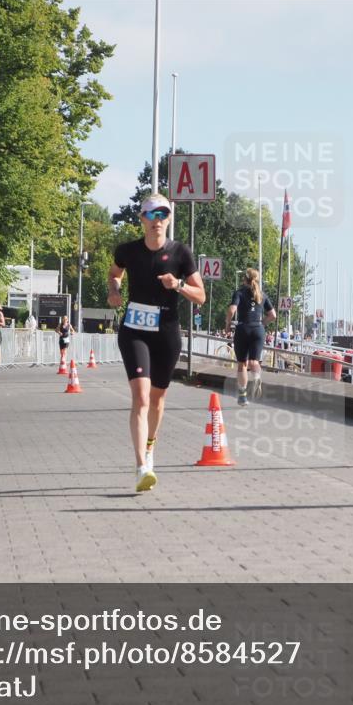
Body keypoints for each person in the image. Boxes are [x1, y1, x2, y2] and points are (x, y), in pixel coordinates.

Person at [108, 194, 205, 492]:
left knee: (158, 399)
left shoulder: (180, 253)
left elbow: (201, 296)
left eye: (162, 214)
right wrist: (114, 290)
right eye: (151, 214)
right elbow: (114, 274)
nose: (157, 220)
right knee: (141, 398)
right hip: (134, 330)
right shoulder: (128, 251)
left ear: (169, 219)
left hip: (166, 332)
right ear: (142, 219)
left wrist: (178, 284)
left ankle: (150, 446)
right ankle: (141, 467)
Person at [225, 268, 276, 406]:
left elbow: (232, 310)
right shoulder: (262, 294)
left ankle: (242, 395)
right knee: (254, 362)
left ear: (244, 279)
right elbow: (273, 315)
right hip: (258, 329)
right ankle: (257, 376)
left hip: (243, 328)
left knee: (242, 364)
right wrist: (262, 324)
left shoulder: (239, 293)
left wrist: (228, 324)